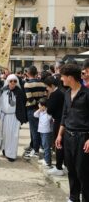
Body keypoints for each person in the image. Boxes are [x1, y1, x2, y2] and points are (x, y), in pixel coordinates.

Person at [56, 64, 89, 202]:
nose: (61, 79)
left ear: (70, 77)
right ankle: (73, 197)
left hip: (83, 138)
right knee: (71, 170)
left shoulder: (87, 94)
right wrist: (59, 135)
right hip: (68, 137)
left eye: (63, 76)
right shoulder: (67, 94)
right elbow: (64, 115)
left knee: (83, 172)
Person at [0, 74, 26, 161]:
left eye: (15, 81)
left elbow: (22, 106)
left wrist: (20, 119)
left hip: (14, 117)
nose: (13, 83)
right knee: (4, 135)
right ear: (8, 82)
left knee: (13, 136)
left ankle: (12, 154)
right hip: (4, 116)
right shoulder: (3, 91)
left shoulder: (19, 92)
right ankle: (5, 150)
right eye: (11, 81)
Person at [24, 66, 47, 158]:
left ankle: (35, 150)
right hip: (41, 109)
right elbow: (45, 97)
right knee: (39, 129)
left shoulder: (27, 84)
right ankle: (36, 147)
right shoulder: (42, 84)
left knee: (34, 130)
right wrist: (40, 105)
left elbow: (29, 99)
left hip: (32, 109)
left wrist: (37, 105)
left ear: (28, 73)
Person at [44, 76, 65, 176]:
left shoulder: (54, 94)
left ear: (51, 86)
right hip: (63, 121)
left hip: (58, 121)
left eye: (47, 87)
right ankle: (63, 165)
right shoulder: (61, 92)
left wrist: (48, 98)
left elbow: (49, 110)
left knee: (58, 144)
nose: (46, 89)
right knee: (61, 144)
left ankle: (59, 167)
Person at [34, 97, 52, 168]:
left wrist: (44, 110)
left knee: (46, 146)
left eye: (39, 105)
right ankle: (45, 159)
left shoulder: (48, 113)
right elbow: (34, 115)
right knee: (44, 146)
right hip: (41, 131)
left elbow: (49, 119)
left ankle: (48, 162)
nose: (38, 106)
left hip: (46, 131)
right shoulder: (40, 112)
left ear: (44, 106)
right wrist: (39, 110)